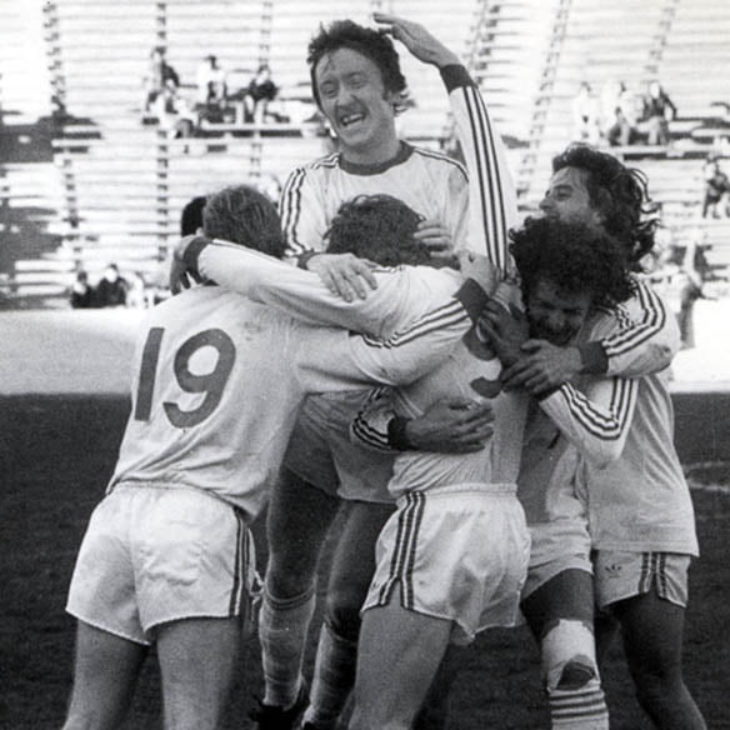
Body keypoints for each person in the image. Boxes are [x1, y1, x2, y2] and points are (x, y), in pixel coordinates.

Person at [62, 184, 488, 730]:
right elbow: (396, 362)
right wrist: (473, 290)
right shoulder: (288, 328)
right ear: (275, 248)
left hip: (115, 518)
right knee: (191, 718)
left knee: (87, 716)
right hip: (200, 522)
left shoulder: (157, 317)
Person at [250, 18, 486, 730]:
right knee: (290, 569)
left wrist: (460, 257)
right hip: (324, 410)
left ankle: (322, 716)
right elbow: (276, 267)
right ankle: (274, 703)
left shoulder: (447, 179)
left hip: (407, 420)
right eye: (328, 88)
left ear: (392, 91)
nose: (342, 97)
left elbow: (488, 275)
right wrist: (312, 263)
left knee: (354, 597)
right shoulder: (306, 183)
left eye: (356, 81)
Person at [142, 47, 179, 114]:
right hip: (153, 89)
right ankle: (148, 110)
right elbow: (145, 80)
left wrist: (171, 87)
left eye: (160, 57)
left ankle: (169, 109)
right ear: (152, 58)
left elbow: (171, 80)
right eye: (157, 57)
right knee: (149, 96)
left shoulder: (166, 69)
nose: (159, 59)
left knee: (168, 95)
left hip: (163, 89)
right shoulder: (149, 69)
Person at [641, 81, 676, 146]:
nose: (655, 90)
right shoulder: (647, 99)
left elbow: (673, 108)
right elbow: (645, 113)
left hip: (662, 119)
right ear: (650, 90)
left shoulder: (664, 98)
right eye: (653, 88)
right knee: (656, 124)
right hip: (651, 120)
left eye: (656, 88)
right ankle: (663, 143)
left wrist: (670, 117)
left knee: (657, 124)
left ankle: (652, 144)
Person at [701, 153, 729, 218]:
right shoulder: (708, 168)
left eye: (714, 161)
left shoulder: (718, 170)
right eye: (711, 161)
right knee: (708, 199)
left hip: (719, 189)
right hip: (712, 189)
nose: (713, 164)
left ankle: (724, 211)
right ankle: (710, 212)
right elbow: (709, 179)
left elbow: (723, 179)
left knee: (726, 195)